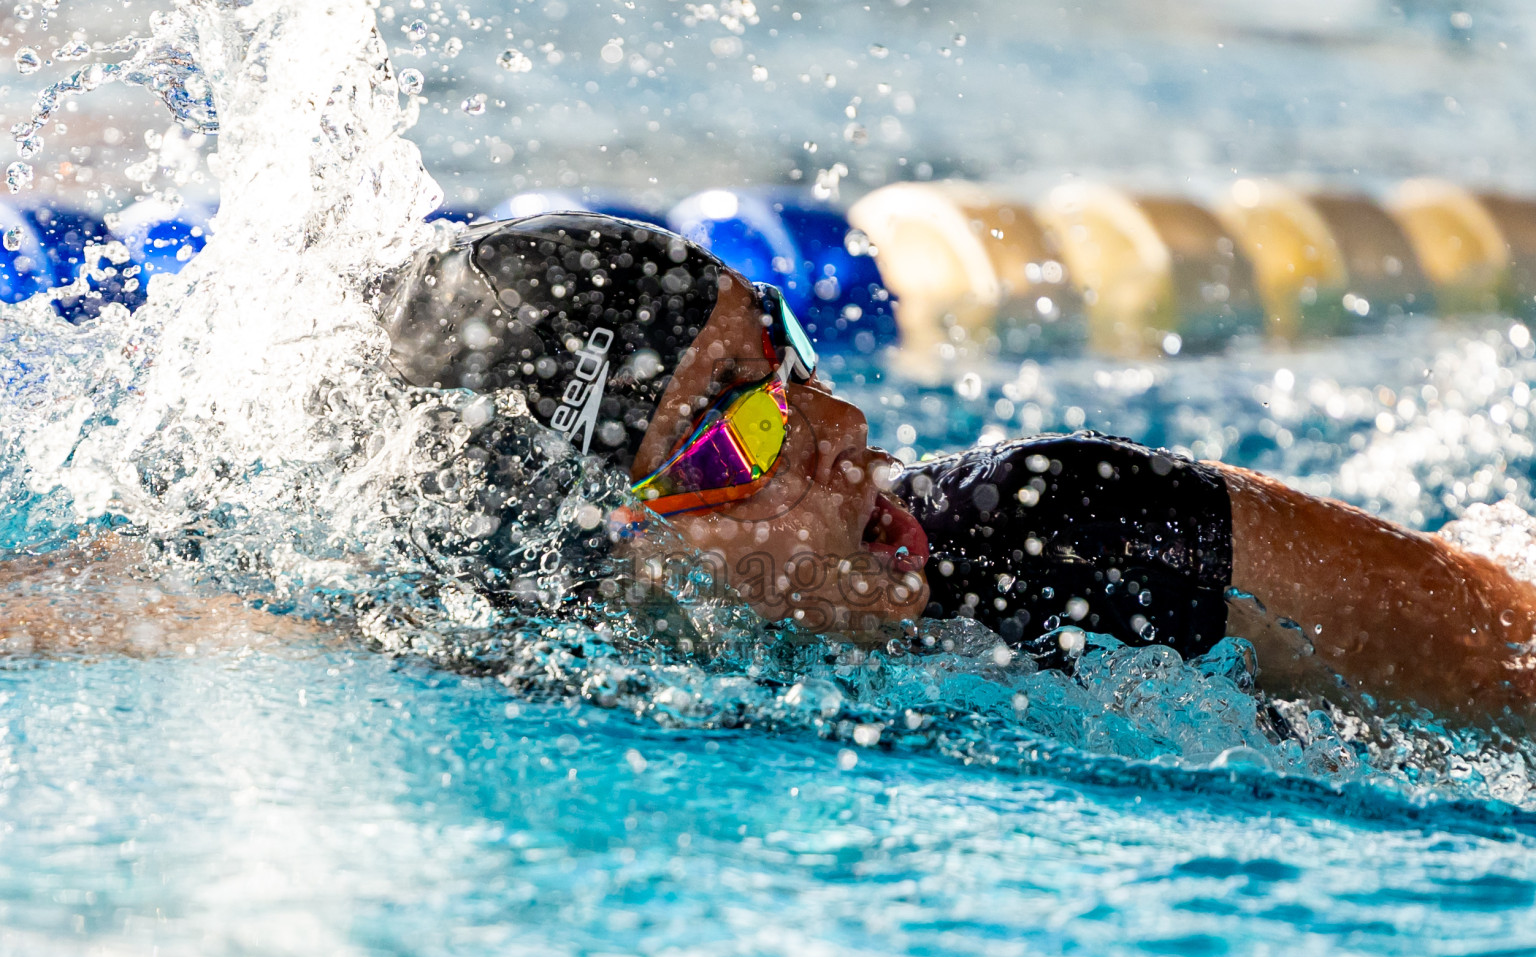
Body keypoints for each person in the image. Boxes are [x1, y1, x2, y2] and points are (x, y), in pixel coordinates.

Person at [8, 212, 1536, 725]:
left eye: (794, 356)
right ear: (594, 526)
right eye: (741, 414)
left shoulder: (1070, 541)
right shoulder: (457, 632)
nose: (849, 429)